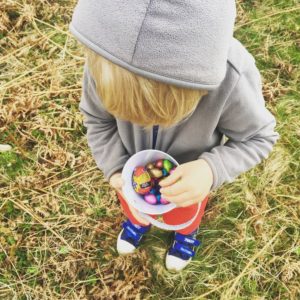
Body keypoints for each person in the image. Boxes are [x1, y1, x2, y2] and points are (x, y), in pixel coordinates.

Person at [69, 0, 279, 272]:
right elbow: (97, 120)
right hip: (130, 179)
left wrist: (211, 169)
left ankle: (186, 234)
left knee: (185, 214)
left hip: (187, 185)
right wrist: (115, 168)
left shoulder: (231, 79)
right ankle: (137, 221)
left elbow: (260, 138)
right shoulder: (105, 63)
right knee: (134, 207)